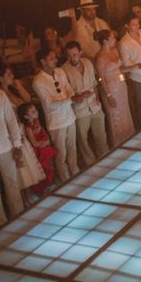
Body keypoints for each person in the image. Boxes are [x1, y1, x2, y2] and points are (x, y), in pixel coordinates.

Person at [0, 65, 46, 202]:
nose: (12, 76)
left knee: (30, 163)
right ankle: (26, 199)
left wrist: (19, 86)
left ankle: (36, 192)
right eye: (8, 75)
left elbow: (28, 101)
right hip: (12, 134)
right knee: (21, 167)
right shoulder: (0, 95)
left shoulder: (13, 91)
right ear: (0, 79)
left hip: (22, 130)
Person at [32, 48, 79, 183]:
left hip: (70, 116)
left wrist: (72, 97)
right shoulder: (38, 81)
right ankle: (66, 180)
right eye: (52, 58)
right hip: (56, 122)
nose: (56, 60)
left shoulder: (59, 72)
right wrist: (71, 100)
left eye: (55, 57)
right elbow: (49, 104)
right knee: (61, 154)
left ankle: (76, 173)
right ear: (43, 61)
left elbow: (68, 88)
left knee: (72, 149)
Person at [62, 41, 109, 166]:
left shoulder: (88, 63)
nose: (72, 58)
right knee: (83, 140)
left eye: (75, 54)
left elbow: (94, 83)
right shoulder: (63, 70)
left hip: (94, 105)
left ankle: (105, 158)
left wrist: (97, 97)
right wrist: (80, 96)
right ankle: (90, 163)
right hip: (79, 110)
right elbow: (66, 93)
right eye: (69, 55)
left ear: (80, 53)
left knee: (101, 135)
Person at [94, 30, 135, 148]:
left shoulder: (115, 50)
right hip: (111, 90)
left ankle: (130, 139)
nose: (115, 39)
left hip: (121, 86)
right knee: (115, 117)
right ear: (105, 41)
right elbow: (101, 79)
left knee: (125, 113)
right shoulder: (100, 57)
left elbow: (120, 68)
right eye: (112, 38)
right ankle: (119, 144)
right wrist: (109, 96)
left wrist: (132, 67)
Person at [0, 86, 24, 226]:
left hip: (5, 146)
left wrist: (17, 145)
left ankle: (18, 216)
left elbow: (11, 120)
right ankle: (1, 223)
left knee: (11, 182)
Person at [18, 103, 58, 198]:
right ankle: (42, 190)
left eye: (35, 109)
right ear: (26, 116)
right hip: (40, 151)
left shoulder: (37, 122)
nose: (36, 112)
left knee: (50, 167)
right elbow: (35, 143)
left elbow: (45, 134)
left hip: (45, 148)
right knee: (45, 169)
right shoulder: (28, 128)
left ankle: (50, 186)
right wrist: (45, 142)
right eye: (33, 111)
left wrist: (46, 140)